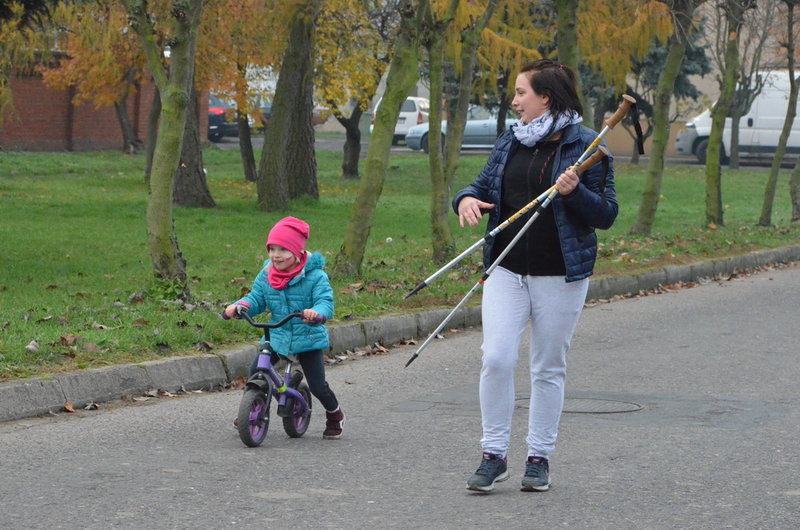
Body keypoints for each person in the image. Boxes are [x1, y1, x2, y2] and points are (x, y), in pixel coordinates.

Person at [453, 59, 618, 492]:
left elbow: (606, 215)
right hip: (506, 267)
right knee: (496, 358)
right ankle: (493, 454)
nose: (514, 101)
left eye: (521, 92)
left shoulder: (588, 146)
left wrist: (575, 192)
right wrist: (466, 200)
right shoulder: (511, 140)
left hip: (560, 274)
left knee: (547, 368)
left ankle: (538, 457)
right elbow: (482, 186)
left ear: (545, 98)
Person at [223, 216, 345, 440]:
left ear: (298, 253)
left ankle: (334, 414)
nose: (275, 255)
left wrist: (316, 313)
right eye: (272, 249)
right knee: (256, 371)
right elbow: (257, 298)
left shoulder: (315, 276)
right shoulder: (267, 274)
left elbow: (325, 302)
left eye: (282, 250)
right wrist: (240, 307)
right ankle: (254, 408)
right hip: (278, 334)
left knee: (318, 386)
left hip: (307, 336)